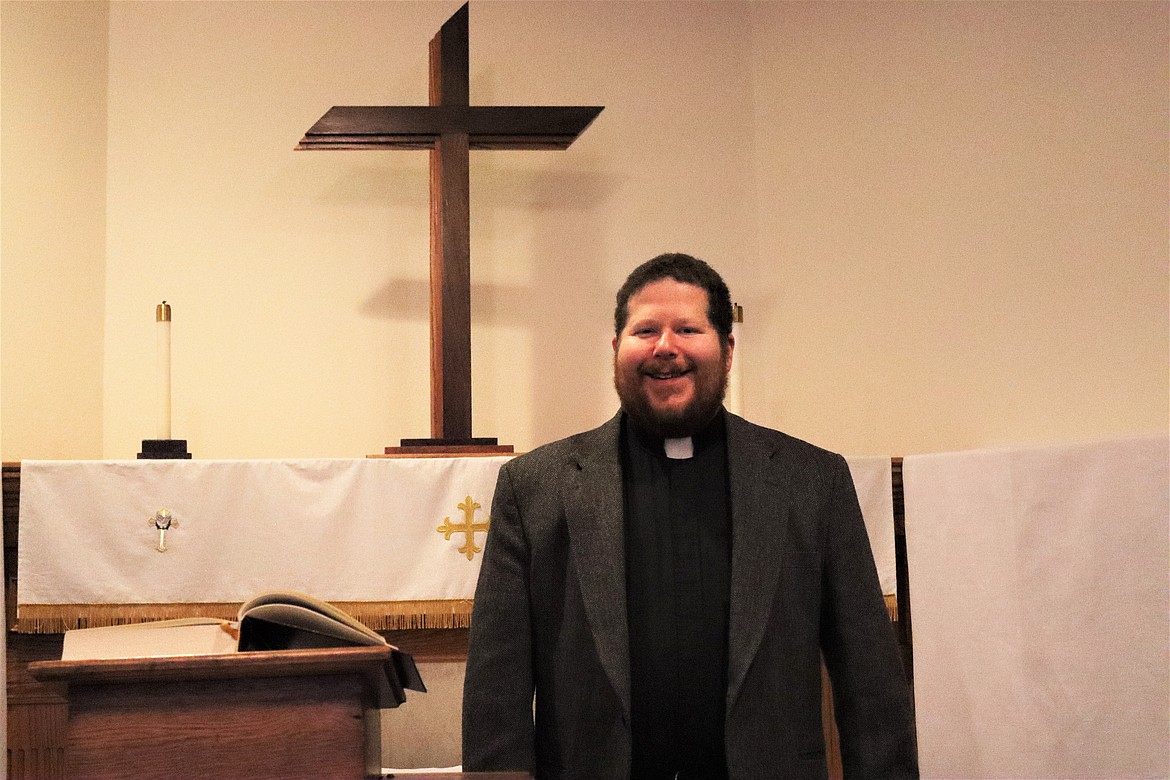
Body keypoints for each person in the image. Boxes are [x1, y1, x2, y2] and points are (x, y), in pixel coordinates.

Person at [462, 253, 918, 779]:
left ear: (727, 350)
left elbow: (871, 682)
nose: (665, 347)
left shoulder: (812, 482)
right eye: (645, 330)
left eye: (687, 329)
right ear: (616, 349)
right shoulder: (535, 487)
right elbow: (497, 692)